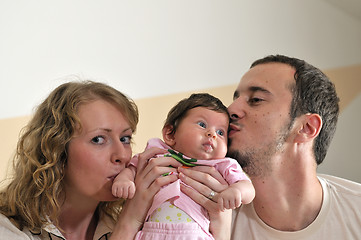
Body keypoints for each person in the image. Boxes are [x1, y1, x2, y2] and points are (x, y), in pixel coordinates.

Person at [178, 55, 361, 239]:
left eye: (256, 99)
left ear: (306, 128)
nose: (231, 109)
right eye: (236, 99)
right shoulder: (198, 211)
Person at [0, 80, 194, 240]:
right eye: (98, 139)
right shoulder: (8, 228)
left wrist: (220, 221)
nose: (123, 155)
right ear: (56, 150)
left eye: (125, 139)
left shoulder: (143, 223)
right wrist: (128, 225)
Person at [113, 93, 255, 239]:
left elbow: (247, 187)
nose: (212, 134)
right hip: (151, 233)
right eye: (202, 124)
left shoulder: (222, 164)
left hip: (195, 235)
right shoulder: (158, 152)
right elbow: (133, 168)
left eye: (220, 132)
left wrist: (237, 191)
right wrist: (124, 180)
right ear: (170, 134)